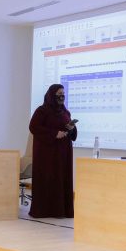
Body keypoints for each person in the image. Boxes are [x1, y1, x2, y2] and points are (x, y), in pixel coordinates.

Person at [28, 84, 77, 219]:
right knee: (48, 179)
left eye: (63, 93)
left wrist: (71, 128)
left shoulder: (66, 112)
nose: (62, 96)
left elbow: (71, 132)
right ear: (51, 95)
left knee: (62, 179)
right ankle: (45, 210)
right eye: (59, 93)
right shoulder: (42, 111)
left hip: (63, 153)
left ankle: (62, 211)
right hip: (47, 154)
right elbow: (33, 127)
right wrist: (54, 134)